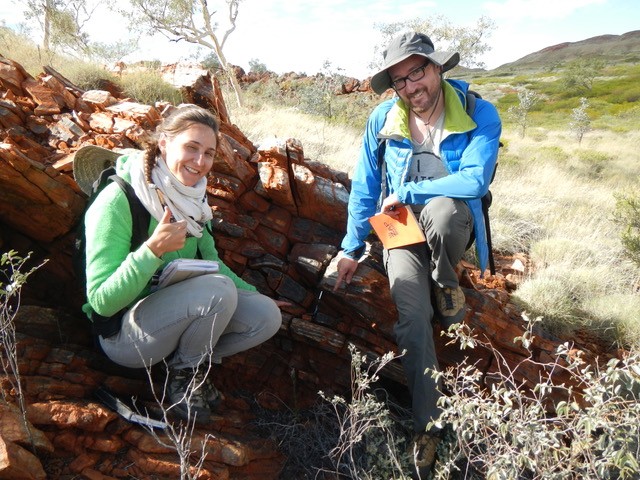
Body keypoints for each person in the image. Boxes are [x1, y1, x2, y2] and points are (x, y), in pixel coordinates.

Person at [333, 31, 501, 475]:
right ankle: (428, 426)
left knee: (444, 212)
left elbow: (473, 182)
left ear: (437, 68)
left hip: (451, 224)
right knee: (411, 316)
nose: (411, 87)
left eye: (418, 72)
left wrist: (408, 189)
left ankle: (447, 282)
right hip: (402, 228)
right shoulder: (384, 119)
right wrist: (350, 249)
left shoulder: (478, 111)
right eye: (400, 80)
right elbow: (366, 187)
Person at [81, 105, 282, 423]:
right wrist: (152, 251)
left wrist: (254, 292)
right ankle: (184, 383)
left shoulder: (194, 203)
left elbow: (213, 265)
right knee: (218, 292)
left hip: (170, 324)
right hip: (124, 339)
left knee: (266, 315)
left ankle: (188, 366)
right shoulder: (119, 200)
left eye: (209, 153)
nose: (200, 162)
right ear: (163, 143)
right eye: (191, 147)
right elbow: (102, 302)